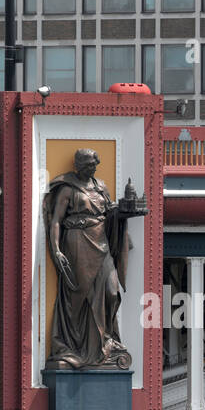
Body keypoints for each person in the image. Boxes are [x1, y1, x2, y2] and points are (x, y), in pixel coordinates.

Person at [42, 148, 145, 370]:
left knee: (111, 290)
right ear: (78, 166)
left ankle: (105, 340)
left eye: (95, 164)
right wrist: (56, 249)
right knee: (80, 294)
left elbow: (109, 214)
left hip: (101, 241)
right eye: (89, 165)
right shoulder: (68, 189)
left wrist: (123, 212)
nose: (93, 168)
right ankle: (77, 345)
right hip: (77, 241)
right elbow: (56, 221)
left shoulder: (101, 186)